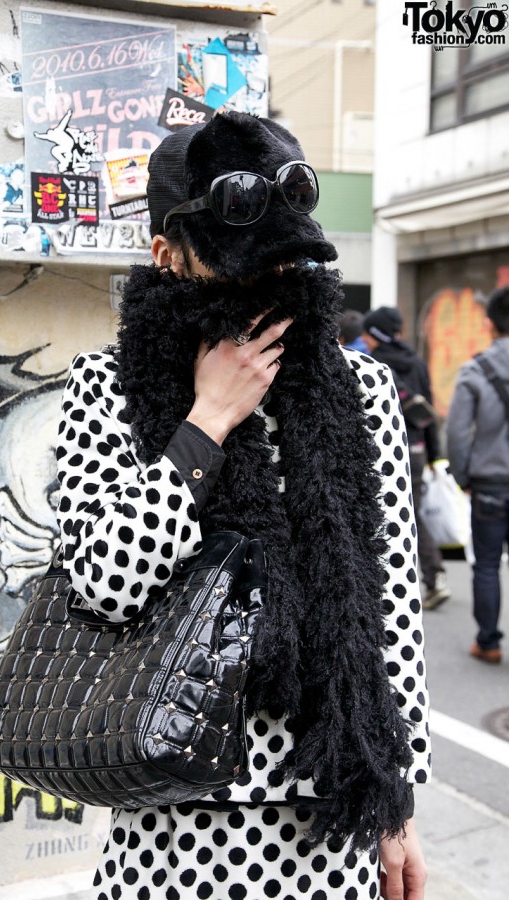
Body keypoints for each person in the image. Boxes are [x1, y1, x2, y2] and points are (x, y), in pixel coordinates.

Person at [56, 112, 430, 900]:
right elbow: (102, 581)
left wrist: (393, 806)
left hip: (331, 815)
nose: (267, 286)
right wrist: (206, 423)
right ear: (166, 255)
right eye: (239, 265)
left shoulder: (359, 388)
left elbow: (389, 596)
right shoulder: (106, 386)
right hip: (173, 810)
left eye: (283, 262)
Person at [362, 307, 451, 612]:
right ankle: (425, 577)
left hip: (386, 452)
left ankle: (427, 576)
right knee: (409, 513)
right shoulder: (417, 362)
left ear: (374, 335)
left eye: (367, 333)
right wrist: (435, 457)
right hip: (417, 451)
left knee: (397, 516)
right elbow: (429, 415)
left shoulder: (375, 365)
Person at [447, 287, 509, 664]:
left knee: (486, 564)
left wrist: (462, 475)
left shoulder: (476, 370)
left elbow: (456, 433)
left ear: (489, 324)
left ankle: (488, 642)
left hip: (489, 484)